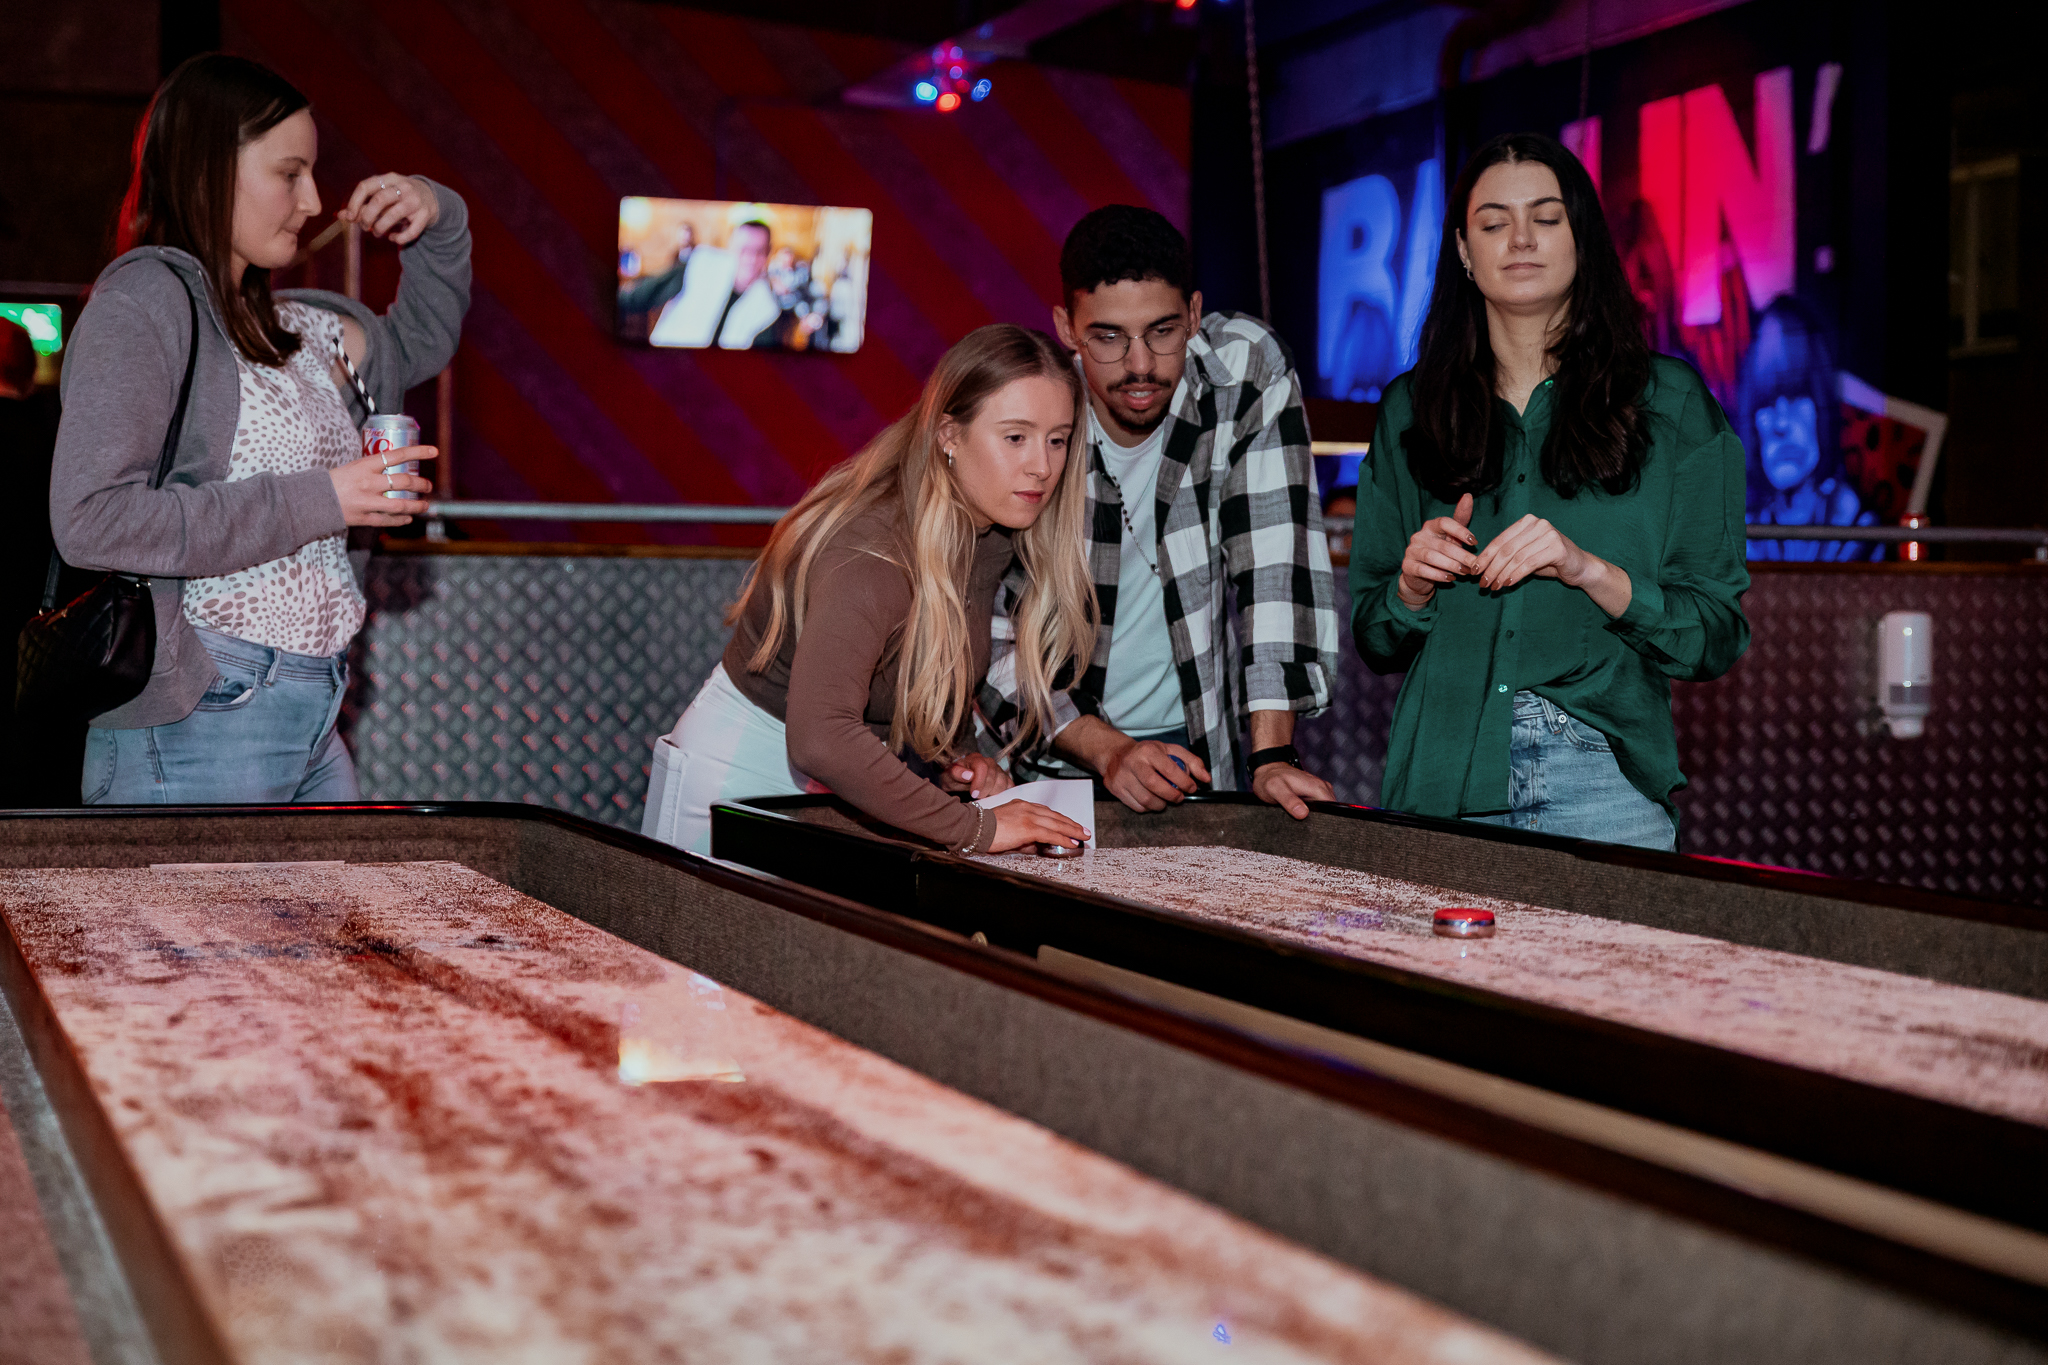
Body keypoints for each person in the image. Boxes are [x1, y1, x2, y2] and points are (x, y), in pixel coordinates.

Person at [50, 53, 470, 804]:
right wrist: (322, 499)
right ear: (210, 170)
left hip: (318, 707)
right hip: (201, 715)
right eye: (289, 173)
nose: (313, 199)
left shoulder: (305, 325)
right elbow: (90, 519)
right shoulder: (145, 302)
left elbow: (421, 341)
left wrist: (438, 216)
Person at [1350, 132, 1751, 851]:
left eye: (1546, 216)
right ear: (1465, 253)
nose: (1521, 239)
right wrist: (1408, 590)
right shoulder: (1412, 408)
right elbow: (1374, 636)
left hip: (1601, 780)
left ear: (1582, 238)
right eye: (1494, 223)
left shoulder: (1672, 402)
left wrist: (1588, 569)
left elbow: (1715, 635)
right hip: (1441, 773)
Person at [641, 324, 1096, 857]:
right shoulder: (874, 548)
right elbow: (822, 738)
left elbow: (925, 660)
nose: (1042, 466)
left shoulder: (987, 531)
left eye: (1057, 439)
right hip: (737, 779)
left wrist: (957, 757)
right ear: (949, 435)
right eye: (1015, 437)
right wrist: (981, 828)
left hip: (839, 788)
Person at [983, 206, 1341, 819]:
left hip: (1201, 752)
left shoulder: (1243, 373)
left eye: (1163, 331)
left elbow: (1274, 568)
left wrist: (1272, 756)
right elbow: (991, 632)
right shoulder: (1035, 416)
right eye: (1109, 337)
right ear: (1067, 328)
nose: (1141, 364)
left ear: (1195, 316)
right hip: (1050, 756)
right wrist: (1110, 750)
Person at [649, 210, 783, 349]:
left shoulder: (768, 308)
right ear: (731, 247)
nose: (751, 259)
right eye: (744, 250)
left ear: (768, 253)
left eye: (760, 251)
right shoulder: (699, 265)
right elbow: (644, 294)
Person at [618, 220, 695, 338]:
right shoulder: (674, 253)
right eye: (682, 233)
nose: (684, 237)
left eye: (686, 233)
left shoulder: (697, 255)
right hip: (671, 293)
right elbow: (669, 273)